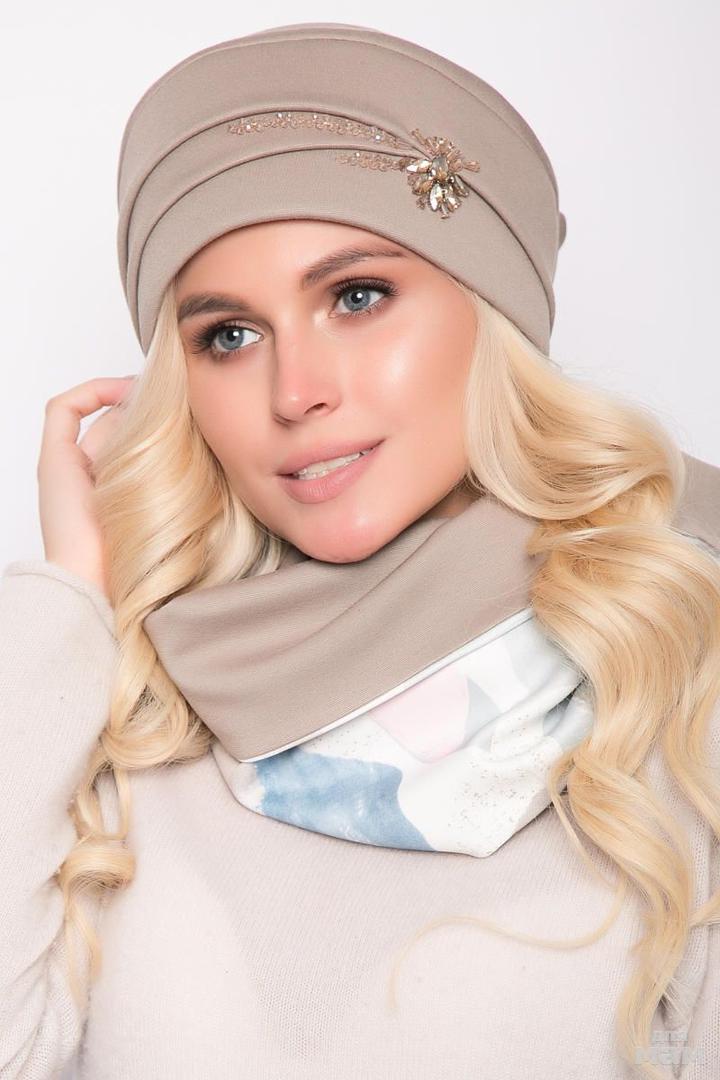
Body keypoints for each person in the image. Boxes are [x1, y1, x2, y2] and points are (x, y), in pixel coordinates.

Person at [1, 21, 719, 1080]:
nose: (296, 393)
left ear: (492, 312)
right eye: (229, 336)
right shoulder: (137, 706)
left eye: (357, 297)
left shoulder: (669, 658)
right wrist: (68, 593)